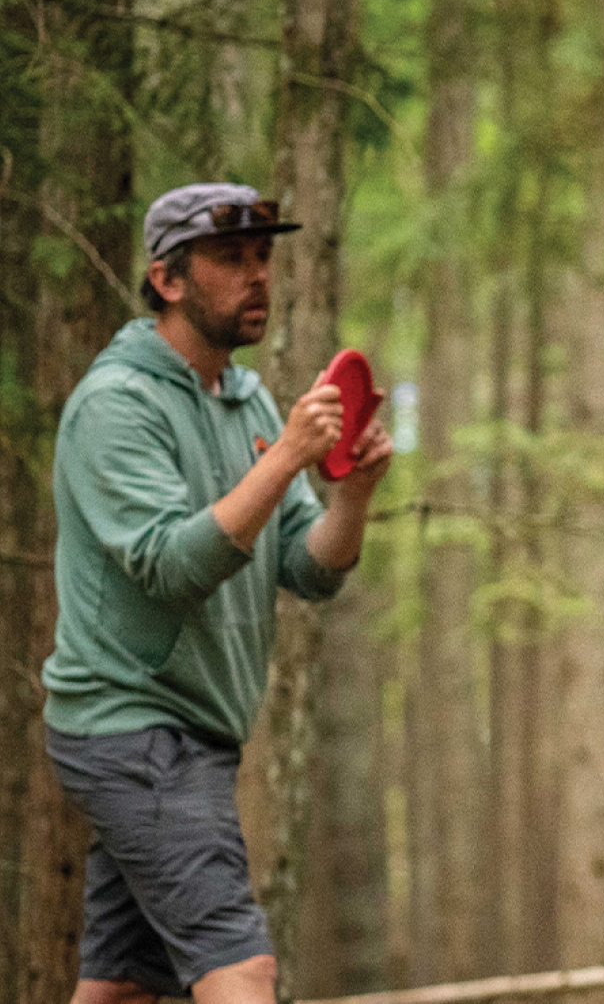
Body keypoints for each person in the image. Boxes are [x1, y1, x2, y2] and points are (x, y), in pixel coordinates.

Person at [41, 183, 390, 1004]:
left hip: (193, 735)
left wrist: (354, 494)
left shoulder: (250, 401)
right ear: (168, 279)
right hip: (134, 729)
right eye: (231, 258)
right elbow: (170, 563)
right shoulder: (115, 405)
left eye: (264, 256)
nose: (258, 275)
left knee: (119, 986)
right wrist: (285, 459)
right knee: (244, 970)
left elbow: (308, 568)